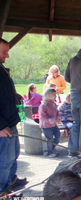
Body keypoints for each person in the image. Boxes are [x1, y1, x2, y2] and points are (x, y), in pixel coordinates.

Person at [0, 38, 27, 198]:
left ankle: (11, 181)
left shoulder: (1, 68)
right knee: (4, 160)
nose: (7, 55)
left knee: (13, 155)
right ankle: (2, 190)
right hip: (3, 126)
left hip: (10, 122)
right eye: (4, 51)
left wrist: (14, 96)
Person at [39, 88, 61, 158]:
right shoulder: (43, 105)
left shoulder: (53, 104)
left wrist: (58, 118)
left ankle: (51, 149)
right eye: (54, 95)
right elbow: (42, 117)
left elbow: (57, 112)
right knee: (49, 139)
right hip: (46, 126)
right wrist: (51, 120)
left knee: (57, 136)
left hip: (54, 125)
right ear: (48, 95)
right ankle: (48, 152)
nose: (56, 96)